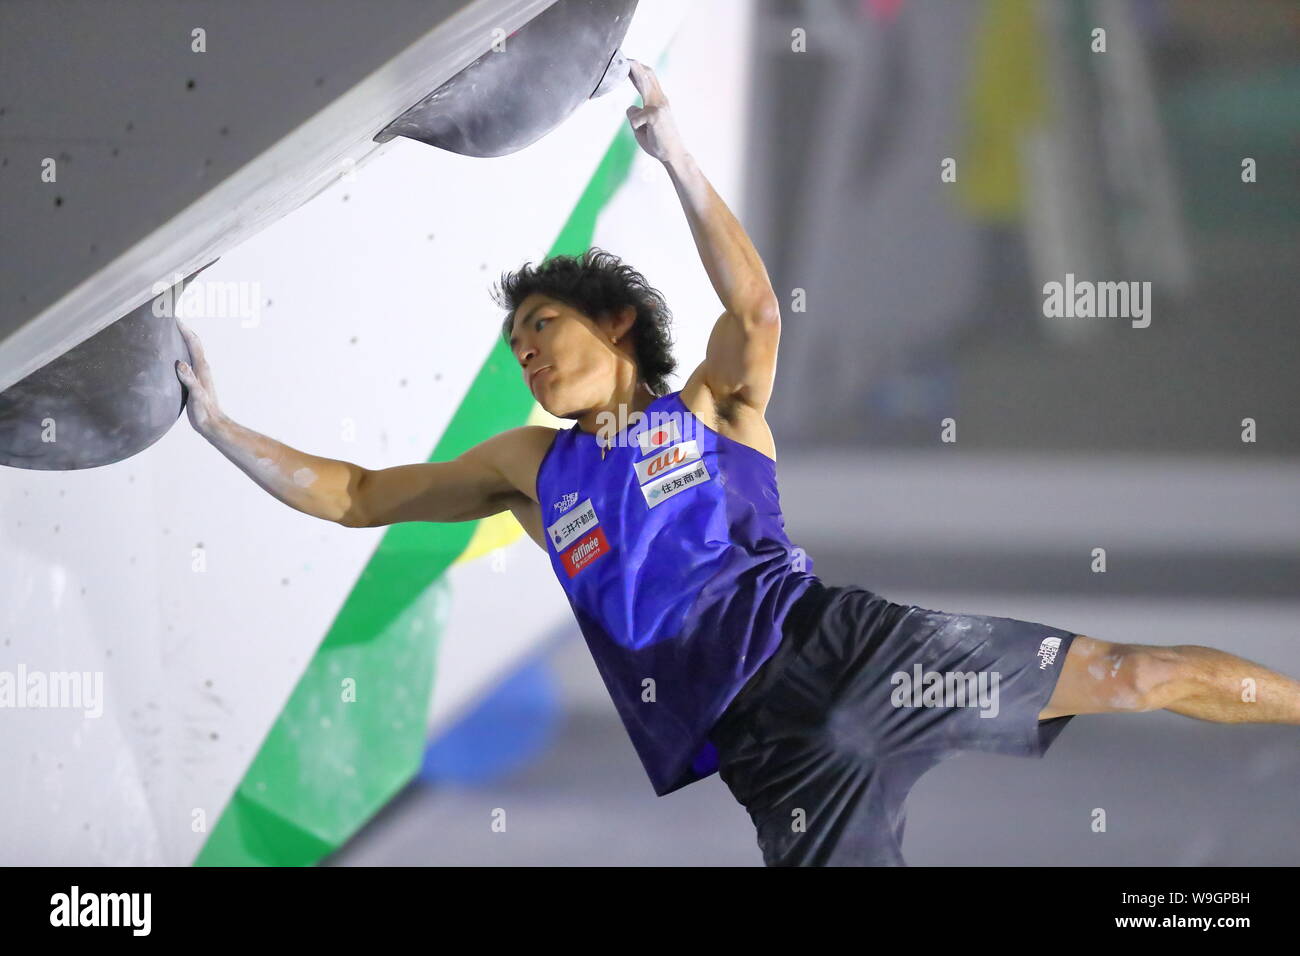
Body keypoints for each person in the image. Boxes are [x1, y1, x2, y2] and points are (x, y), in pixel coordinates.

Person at [175, 60, 1300, 866]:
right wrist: (222, 426)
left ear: (613, 322)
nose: (525, 351)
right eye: (514, 343)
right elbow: (360, 496)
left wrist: (674, 155)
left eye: (543, 326)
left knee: (1136, 675)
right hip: (772, 754)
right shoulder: (530, 466)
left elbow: (753, 304)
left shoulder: (712, 406)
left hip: (862, 656)